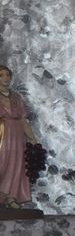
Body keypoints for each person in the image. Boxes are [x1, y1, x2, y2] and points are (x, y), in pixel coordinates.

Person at [0, 65, 39, 207]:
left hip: (17, 134)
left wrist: (32, 138)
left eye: (7, 75)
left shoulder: (16, 97)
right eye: (1, 75)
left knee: (17, 164)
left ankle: (11, 197)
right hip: (2, 133)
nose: (5, 78)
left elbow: (23, 119)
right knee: (3, 162)